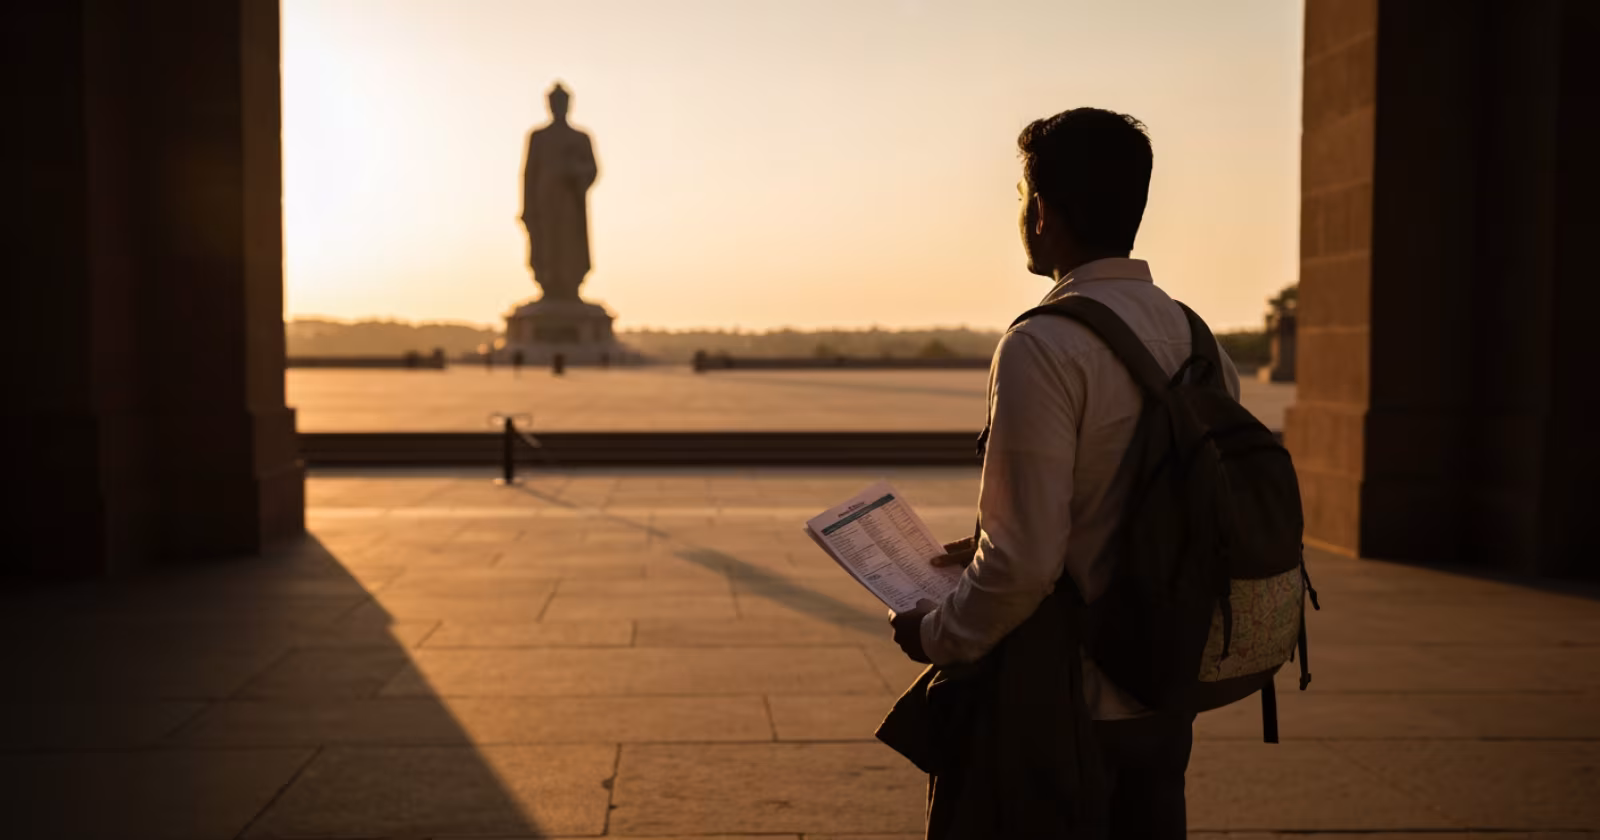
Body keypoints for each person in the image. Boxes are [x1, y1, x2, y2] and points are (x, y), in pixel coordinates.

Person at [888, 107, 1240, 838]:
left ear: (1043, 212)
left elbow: (1024, 565)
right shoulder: (1198, 338)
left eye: (1023, 195)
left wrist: (936, 634)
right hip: (1165, 685)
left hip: (1062, 703)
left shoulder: (1043, 344)